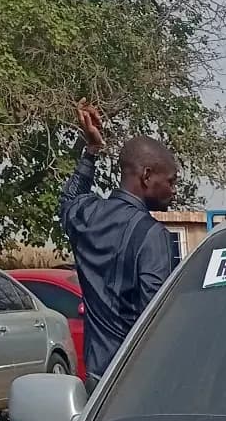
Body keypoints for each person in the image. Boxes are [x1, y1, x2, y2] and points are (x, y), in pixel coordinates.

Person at [59, 102, 180, 389]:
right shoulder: (153, 236)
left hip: (96, 377)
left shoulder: (87, 215)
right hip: (136, 380)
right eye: (171, 181)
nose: (173, 190)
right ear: (147, 176)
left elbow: (67, 200)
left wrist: (91, 151)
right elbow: (156, 318)